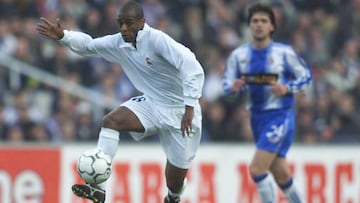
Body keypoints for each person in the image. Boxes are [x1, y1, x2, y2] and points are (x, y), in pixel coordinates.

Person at [36, 1, 204, 203]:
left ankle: (173, 197)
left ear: (142, 22)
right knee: (111, 121)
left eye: (129, 23)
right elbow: (89, 45)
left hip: (182, 112)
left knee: (174, 182)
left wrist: (189, 106)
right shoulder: (119, 43)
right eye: (120, 23)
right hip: (152, 104)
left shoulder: (158, 40)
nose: (124, 28)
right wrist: (64, 36)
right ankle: (98, 188)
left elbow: (192, 66)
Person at [223, 3, 311, 203]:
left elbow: (305, 75)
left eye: (264, 21)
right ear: (249, 26)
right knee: (282, 176)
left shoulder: (284, 53)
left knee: (256, 169)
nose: (259, 25)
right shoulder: (239, 56)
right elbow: (227, 89)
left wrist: (287, 88)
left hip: (280, 116)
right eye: (255, 21)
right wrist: (233, 89)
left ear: (272, 27)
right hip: (257, 119)